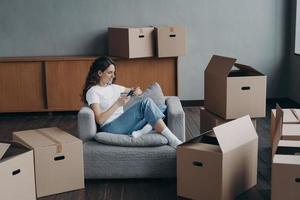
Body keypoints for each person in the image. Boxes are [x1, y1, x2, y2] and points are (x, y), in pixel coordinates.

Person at [81, 56, 182, 148]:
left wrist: (136, 91)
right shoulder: (93, 91)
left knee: (161, 107)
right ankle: (172, 139)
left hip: (124, 123)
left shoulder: (114, 87)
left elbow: (136, 91)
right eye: (109, 72)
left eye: (114, 72)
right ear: (99, 73)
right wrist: (117, 104)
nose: (113, 76)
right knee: (146, 103)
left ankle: (143, 130)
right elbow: (99, 119)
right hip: (110, 127)